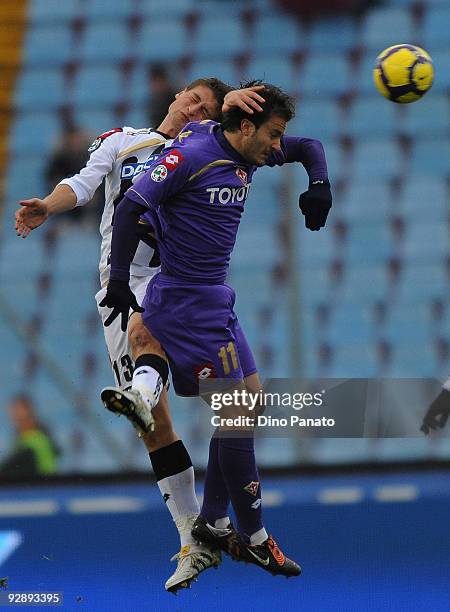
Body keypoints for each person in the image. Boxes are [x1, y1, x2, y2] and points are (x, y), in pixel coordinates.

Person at [14, 78, 270, 593]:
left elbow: (264, 139)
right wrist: (48, 203)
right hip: (118, 286)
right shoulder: (122, 141)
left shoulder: (203, 151)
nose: (195, 108)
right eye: (193, 97)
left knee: (240, 400)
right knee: (154, 427)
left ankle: (217, 510)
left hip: (177, 283)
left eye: (208, 108)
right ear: (176, 97)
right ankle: (193, 539)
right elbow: (83, 184)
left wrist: (247, 103)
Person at [100, 81, 332, 578]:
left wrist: (319, 185)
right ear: (246, 127)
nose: (278, 147)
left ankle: (211, 520)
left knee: (248, 399)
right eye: (272, 135)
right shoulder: (190, 157)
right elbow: (129, 207)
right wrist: (118, 281)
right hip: (187, 303)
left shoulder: (243, 146)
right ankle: (252, 536)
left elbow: (309, 147)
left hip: (212, 299)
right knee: (239, 411)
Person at [0, 394, 59, 478]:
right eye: (13, 411)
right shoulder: (19, 439)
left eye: (18, 410)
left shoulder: (39, 439)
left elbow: (48, 469)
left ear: (29, 411)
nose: (14, 415)